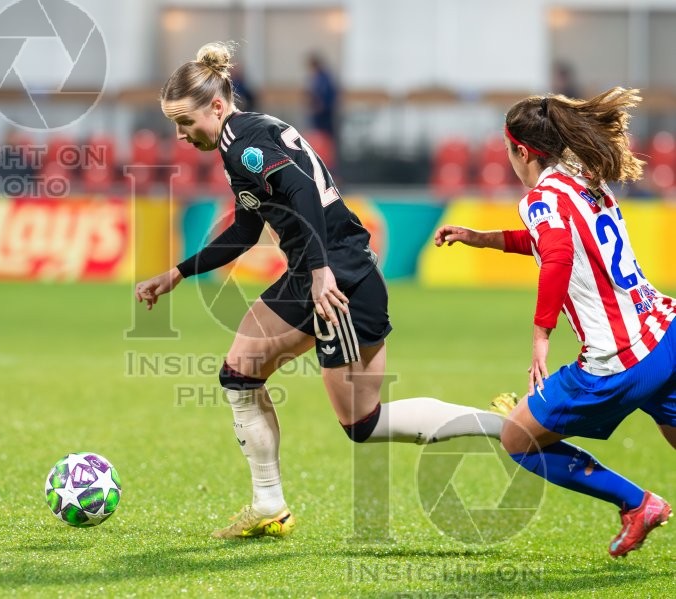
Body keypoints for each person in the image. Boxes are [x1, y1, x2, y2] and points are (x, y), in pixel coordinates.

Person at [135, 41, 509, 540]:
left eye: (185, 123)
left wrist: (319, 271)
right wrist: (180, 273)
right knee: (239, 374)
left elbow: (302, 191)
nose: (181, 135)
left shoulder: (245, 144)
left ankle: (509, 425)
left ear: (218, 106)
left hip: (341, 277)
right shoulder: (247, 137)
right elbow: (247, 230)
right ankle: (268, 504)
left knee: (363, 424)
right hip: (318, 269)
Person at [434, 88, 674, 558]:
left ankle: (637, 503)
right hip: (664, 331)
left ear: (522, 150)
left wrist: (541, 336)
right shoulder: (584, 176)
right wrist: (481, 239)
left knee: (517, 435)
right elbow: (559, 241)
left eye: (509, 152)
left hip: (619, 358)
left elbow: (559, 253)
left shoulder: (542, 195)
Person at [306, 54, 338, 141]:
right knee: (319, 134)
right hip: (320, 112)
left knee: (325, 135)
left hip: (324, 113)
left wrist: (321, 104)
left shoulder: (323, 77)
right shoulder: (317, 77)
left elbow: (324, 93)